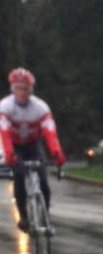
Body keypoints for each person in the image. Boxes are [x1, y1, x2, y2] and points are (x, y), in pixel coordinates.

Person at [0, 67, 66, 233]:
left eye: (26, 89)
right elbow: (5, 133)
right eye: (19, 88)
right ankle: (24, 217)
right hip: (15, 146)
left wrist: (57, 153)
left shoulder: (40, 107)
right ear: (13, 89)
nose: (23, 92)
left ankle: (45, 217)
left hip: (33, 144)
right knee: (20, 177)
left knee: (43, 180)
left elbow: (50, 132)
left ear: (31, 90)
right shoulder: (5, 107)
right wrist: (9, 154)